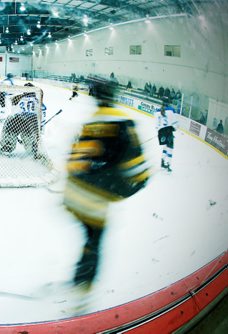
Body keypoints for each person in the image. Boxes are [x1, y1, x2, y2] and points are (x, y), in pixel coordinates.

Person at [62, 76, 150, 295]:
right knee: (94, 240)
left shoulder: (89, 123)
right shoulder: (123, 123)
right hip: (95, 200)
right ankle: (83, 286)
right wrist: (127, 189)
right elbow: (138, 168)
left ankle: (80, 276)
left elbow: (74, 163)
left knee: (89, 236)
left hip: (73, 195)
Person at [0, 83, 46, 160]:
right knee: (30, 146)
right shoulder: (38, 101)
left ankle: (7, 144)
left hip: (17, 120)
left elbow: (14, 112)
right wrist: (41, 127)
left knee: (10, 123)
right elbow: (42, 114)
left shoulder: (19, 99)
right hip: (31, 123)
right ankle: (33, 148)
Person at [156, 98, 177, 172]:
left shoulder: (157, 111)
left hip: (161, 132)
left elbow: (156, 124)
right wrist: (174, 129)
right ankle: (168, 165)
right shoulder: (171, 110)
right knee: (170, 148)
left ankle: (162, 162)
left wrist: (160, 131)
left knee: (165, 146)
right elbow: (175, 123)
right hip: (168, 131)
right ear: (168, 103)